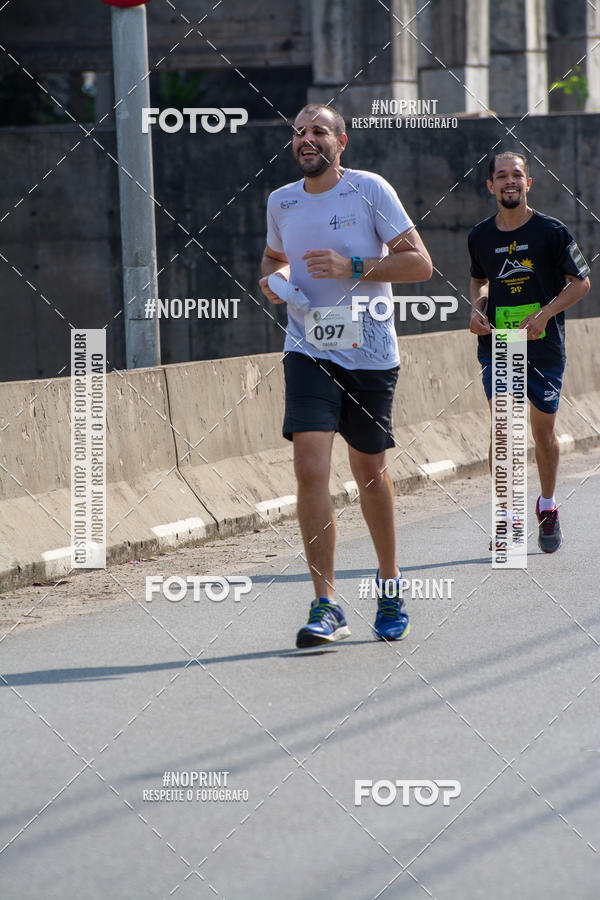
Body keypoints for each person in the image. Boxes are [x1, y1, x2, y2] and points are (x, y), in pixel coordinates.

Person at [259, 103, 432, 648]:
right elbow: (271, 259)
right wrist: (276, 281)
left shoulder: (369, 189)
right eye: (298, 133)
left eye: (317, 132)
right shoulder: (280, 200)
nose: (305, 139)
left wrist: (353, 267)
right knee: (310, 467)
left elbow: (419, 264)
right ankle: (326, 603)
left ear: (341, 141)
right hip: (308, 346)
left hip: (370, 348)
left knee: (370, 473)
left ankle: (389, 584)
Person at [468, 151, 591, 553]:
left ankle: (548, 505)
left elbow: (581, 283)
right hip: (501, 342)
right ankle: (506, 518)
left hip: (545, 346)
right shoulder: (480, 236)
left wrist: (544, 314)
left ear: (528, 183)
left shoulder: (551, 232)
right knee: (503, 427)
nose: (509, 181)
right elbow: (481, 280)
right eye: (501, 176)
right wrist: (477, 307)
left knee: (543, 433)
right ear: (490, 185)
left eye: (516, 175)